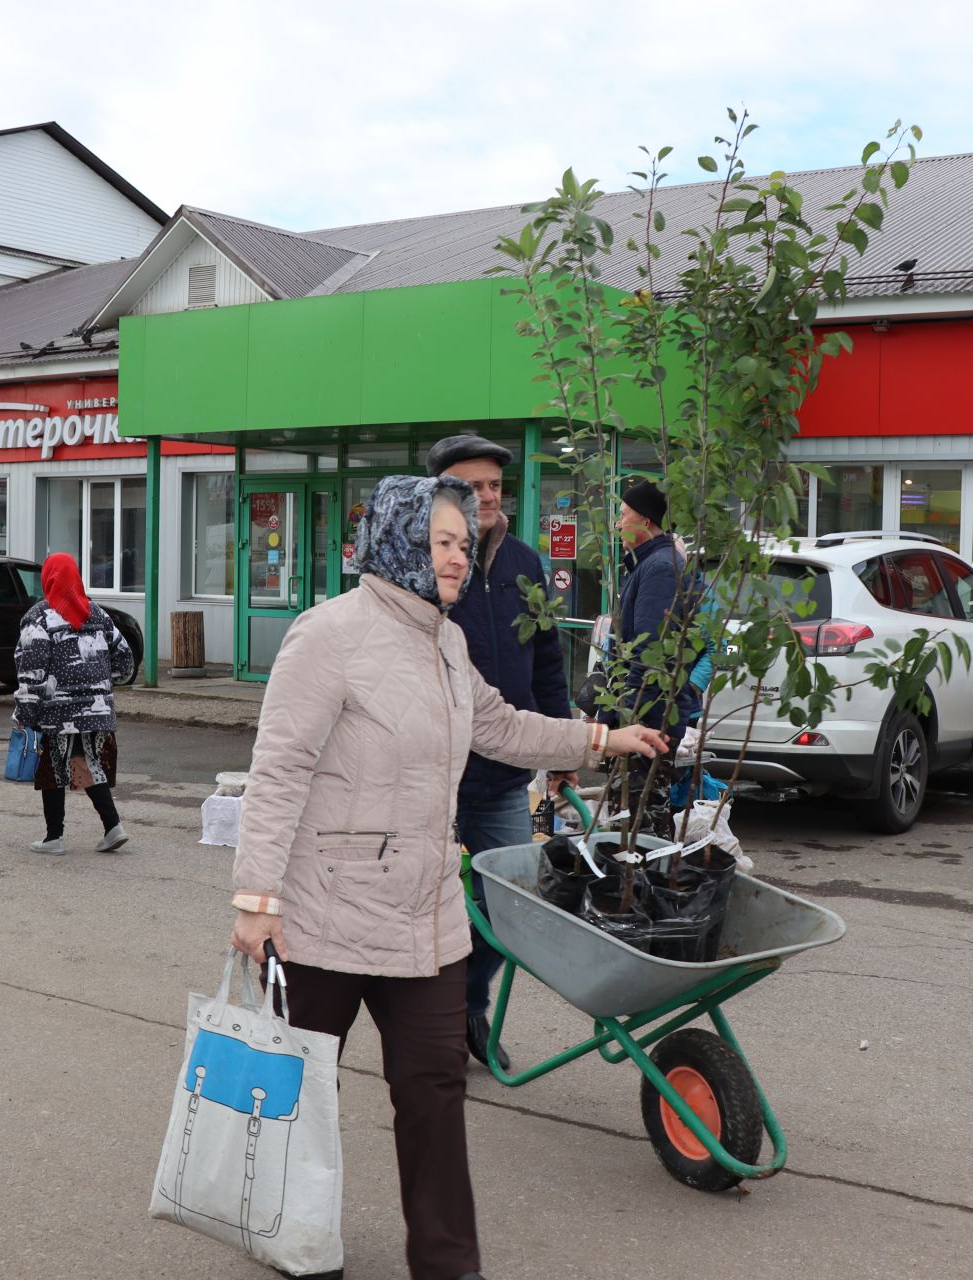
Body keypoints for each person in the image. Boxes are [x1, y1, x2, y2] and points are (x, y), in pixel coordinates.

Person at [228, 474, 667, 1280]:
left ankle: (447, 1263)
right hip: (322, 914)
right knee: (299, 1088)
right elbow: (279, 768)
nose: (460, 557)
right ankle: (291, 1233)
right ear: (399, 540)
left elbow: (500, 725)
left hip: (425, 916)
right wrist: (257, 901)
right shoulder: (330, 634)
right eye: (443, 542)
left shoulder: (447, 640)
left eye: (464, 543)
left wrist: (603, 739)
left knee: (434, 1092)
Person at [426, 433, 573, 1073]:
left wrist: (562, 743)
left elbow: (546, 661)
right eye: (474, 484)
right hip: (437, 771)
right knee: (430, 905)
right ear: (444, 492)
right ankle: (431, 1027)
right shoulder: (421, 564)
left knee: (508, 904)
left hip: (505, 771)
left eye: (494, 485)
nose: (487, 496)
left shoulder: (523, 563)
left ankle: (468, 1007)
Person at [12, 552, 135, 855]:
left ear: (49, 578)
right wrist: (101, 686)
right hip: (95, 708)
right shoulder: (98, 613)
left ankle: (54, 837)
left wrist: (24, 713)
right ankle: (113, 827)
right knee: (86, 762)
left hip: (58, 712)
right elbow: (125, 660)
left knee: (53, 768)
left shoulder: (39, 616)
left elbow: (32, 671)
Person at [607, 477, 703, 749]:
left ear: (645, 521)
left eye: (623, 515)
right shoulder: (649, 564)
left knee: (640, 791)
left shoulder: (660, 569)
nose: (618, 523)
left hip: (648, 720)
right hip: (647, 716)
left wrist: (629, 713)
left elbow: (651, 651)